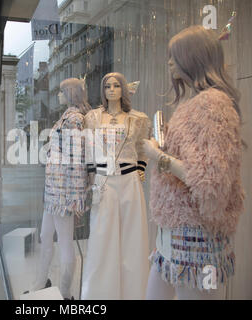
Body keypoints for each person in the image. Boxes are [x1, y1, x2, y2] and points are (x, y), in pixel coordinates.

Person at [142, 26, 244, 300]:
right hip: (174, 232)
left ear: (193, 58)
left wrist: (156, 155)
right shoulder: (196, 103)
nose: (170, 62)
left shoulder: (212, 105)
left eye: (175, 56)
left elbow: (209, 181)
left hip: (195, 236)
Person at [81, 72, 150, 300]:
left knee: (132, 239)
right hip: (103, 182)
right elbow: (89, 150)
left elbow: (142, 147)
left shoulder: (138, 119)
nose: (111, 89)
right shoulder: (92, 118)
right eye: (107, 86)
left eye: (116, 85)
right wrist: (91, 176)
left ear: (124, 89)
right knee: (102, 239)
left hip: (130, 181)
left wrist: (141, 168)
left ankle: (133, 294)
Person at [28, 78, 91, 300]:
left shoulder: (74, 119)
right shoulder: (67, 116)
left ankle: (65, 293)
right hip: (53, 190)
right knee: (46, 236)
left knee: (65, 243)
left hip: (63, 192)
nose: (58, 95)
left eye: (61, 91)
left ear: (70, 92)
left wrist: (76, 197)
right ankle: (40, 282)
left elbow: (76, 160)